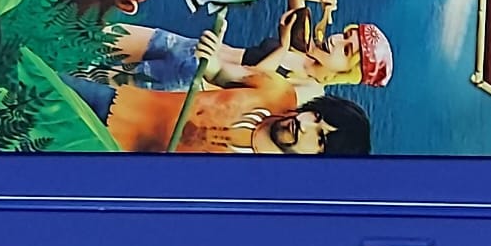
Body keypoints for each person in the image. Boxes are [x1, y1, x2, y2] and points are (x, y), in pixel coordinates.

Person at [100, 0, 393, 93]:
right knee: (94, 35)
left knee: (89, 72)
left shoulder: (310, 89)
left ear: (345, 73)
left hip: (193, 77)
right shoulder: (305, 45)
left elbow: (252, 81)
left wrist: (283, 47)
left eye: (346, 50)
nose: (337, 40)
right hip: (189, 46)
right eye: (346, 35)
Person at [64, 73, 371, 154]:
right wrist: (209, 56)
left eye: (319, 137)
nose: (304, 125)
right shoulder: (278, 93)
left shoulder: (254, 185)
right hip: (115, 103)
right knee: (38, 79)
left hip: (108, 154)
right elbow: (221, 72)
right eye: (315, 117)